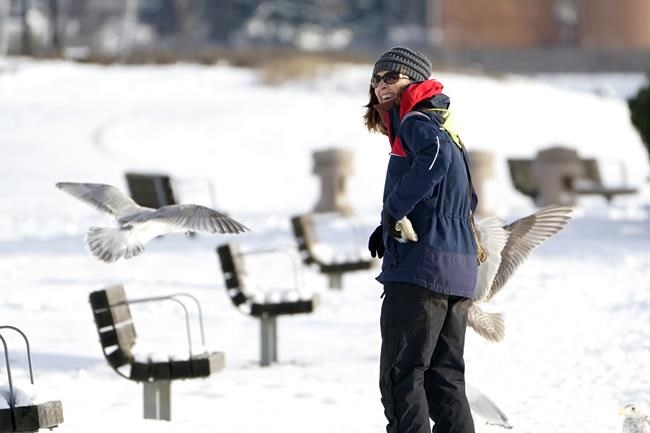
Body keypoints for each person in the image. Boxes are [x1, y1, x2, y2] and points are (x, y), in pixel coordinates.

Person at [363, 46, 479, 433]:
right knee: (444, 379)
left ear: (415, 81)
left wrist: (395, 210)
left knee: (402, 376)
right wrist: (395, 222)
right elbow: (466, 198)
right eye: (377, 79)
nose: (382, 86)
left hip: (420, 271)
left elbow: (434, 159)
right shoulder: (445, 123)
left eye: (392, 77)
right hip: (457, 270)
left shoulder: (415, 122)